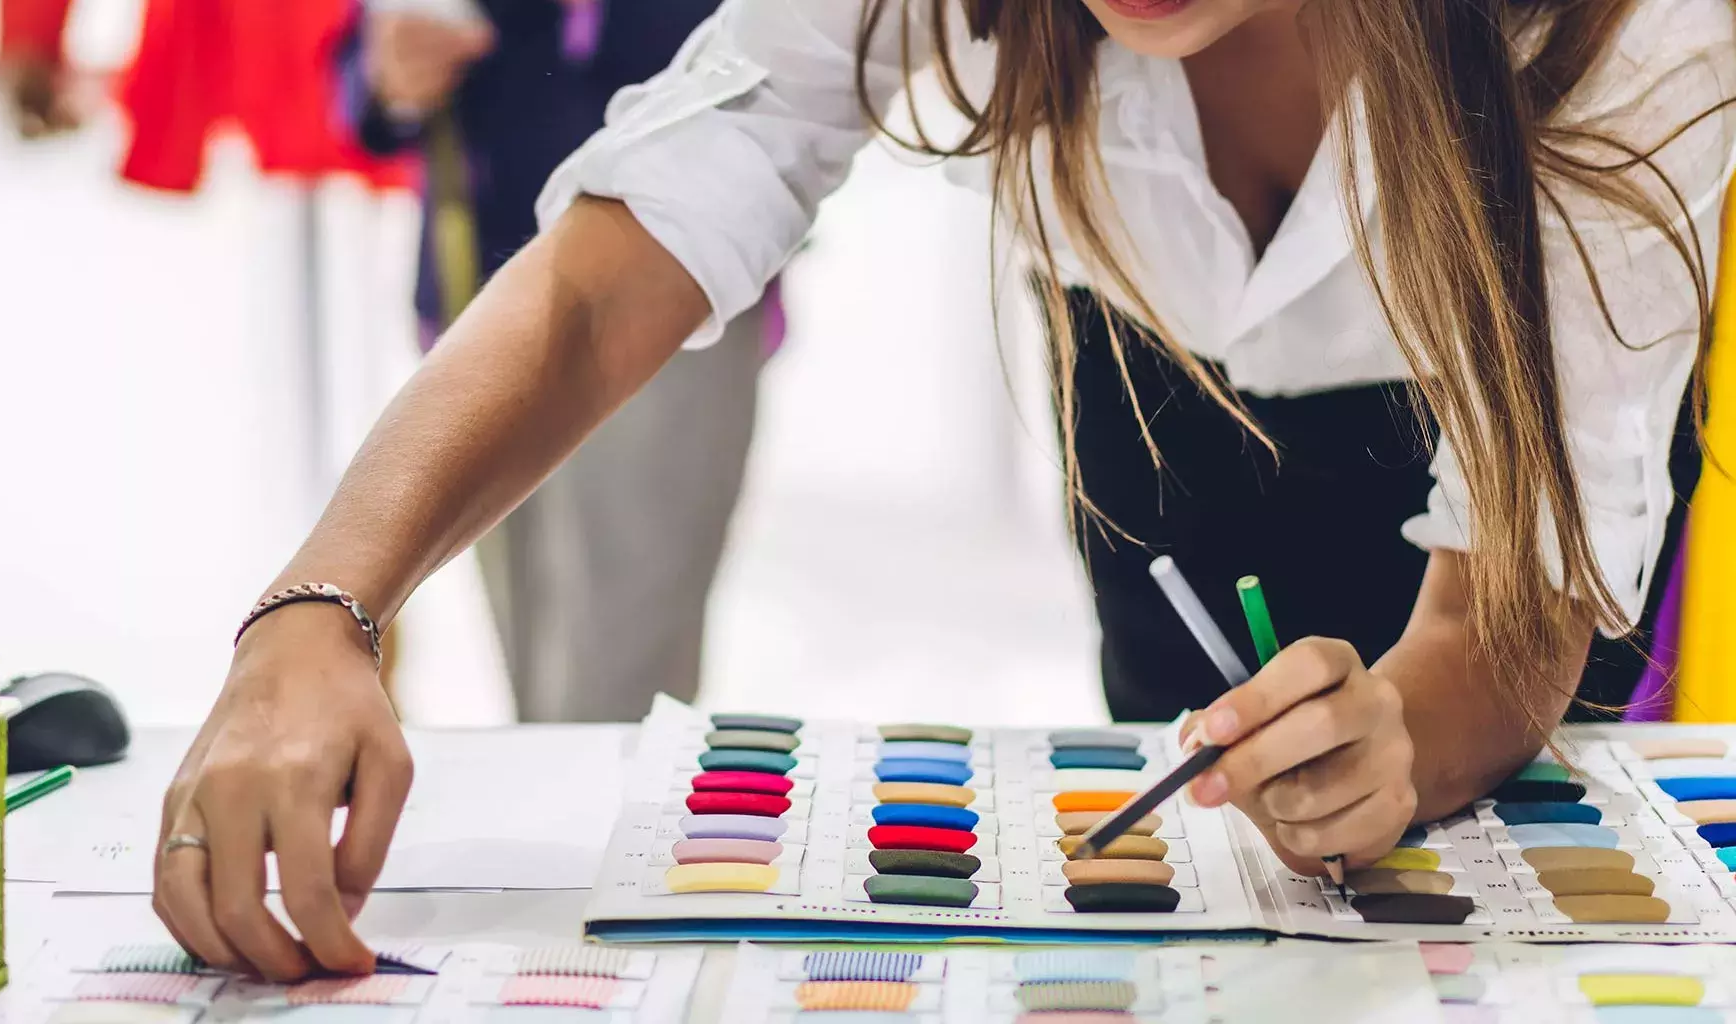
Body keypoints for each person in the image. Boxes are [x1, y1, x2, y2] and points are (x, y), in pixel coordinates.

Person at [151, 0, 1736, 979]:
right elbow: (609, 267)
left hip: (1506, 545)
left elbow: (1521, 591)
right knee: (1200, 908)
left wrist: (1409, 730)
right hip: (1162, 438)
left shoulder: (1625, 24)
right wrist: (318, 610)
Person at [336, 0, 775, 722]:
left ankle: (606, 828)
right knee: (535, 667)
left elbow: (790, 68)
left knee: (615, 683)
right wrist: (387, 74)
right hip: (484, 273)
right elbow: (360, 66)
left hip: (673, 281)